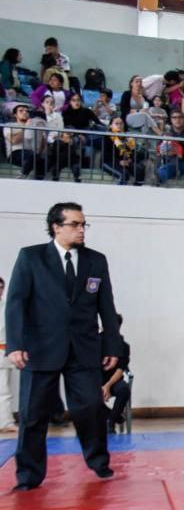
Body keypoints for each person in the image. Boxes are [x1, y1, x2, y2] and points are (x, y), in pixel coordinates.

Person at [4, 203, 123, 490]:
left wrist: (112, 345)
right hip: (40, 348)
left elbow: (106, 306)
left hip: (84, 348)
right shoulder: (31, 257)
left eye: (83, 224)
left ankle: (99, 462)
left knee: (91, 408)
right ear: (56, 227)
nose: (81, 229)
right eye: (74, 224)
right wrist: (15, 344)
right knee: (33, 415)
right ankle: (28, 476)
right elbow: (16, 302)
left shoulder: (96, 260)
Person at [102, 314, 132, 434]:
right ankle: (115, 416)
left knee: (124, 390)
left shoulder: (124, 346)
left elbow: (120, 369)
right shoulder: (95, 342)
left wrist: (108, 386)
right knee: (87, 394)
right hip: (95, 380)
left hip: (114, 381)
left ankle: (111, 422)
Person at [0, 277, 15, 433]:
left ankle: (5, 422)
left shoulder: (7, 307)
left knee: (3, 389)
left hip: (2, 351)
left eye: (1, 287)